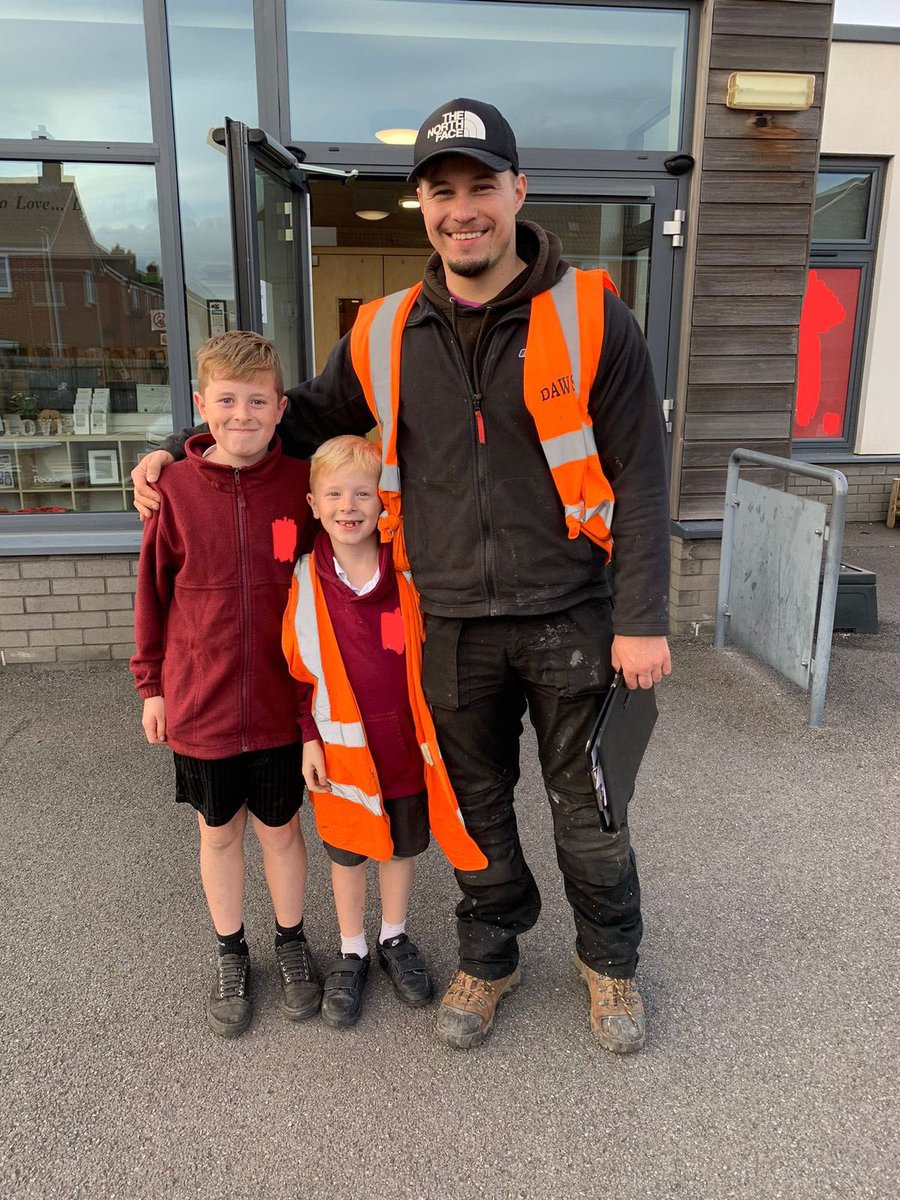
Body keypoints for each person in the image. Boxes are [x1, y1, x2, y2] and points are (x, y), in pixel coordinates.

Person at [132, 97, 672, 1055]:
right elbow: (294, 417)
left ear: (518, 191)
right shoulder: (384, 331)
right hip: (449, 619)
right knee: (473, 807)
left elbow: (641, 472)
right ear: (423, 206)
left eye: (479, 187)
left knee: (589, 809)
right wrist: (186, 448)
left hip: (572, 614)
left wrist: (643, 617)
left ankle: (610, 962)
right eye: (441, 192)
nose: (461, 210)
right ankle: (491, 956)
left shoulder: (593, 314)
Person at [130, 330, 322, 1039]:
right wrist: (152, 686)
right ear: (203, 406)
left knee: (282, 831)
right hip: (201, 704)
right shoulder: (173, 492)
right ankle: (231, 950)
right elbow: (151, 596)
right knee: (219, 833)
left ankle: (292, 940)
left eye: (258, 402)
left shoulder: (301, 485)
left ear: (280, 408)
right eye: (228, 401)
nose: (243, 415)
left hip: (280, 703)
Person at [281, 435, 486, 1029]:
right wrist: (307, 736)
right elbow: (295, 668)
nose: (348, 506)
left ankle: (394, 935)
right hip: (341, 750)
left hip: (404, 743)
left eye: (362, 494)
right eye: (334, 494)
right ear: (313, 504)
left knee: (401, 845)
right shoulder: (305, 578)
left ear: (384, 502)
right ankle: (352, 950)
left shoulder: (407, 570)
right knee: (348, 850)